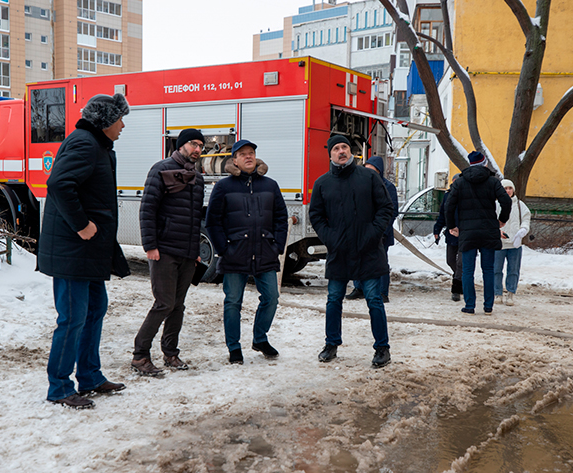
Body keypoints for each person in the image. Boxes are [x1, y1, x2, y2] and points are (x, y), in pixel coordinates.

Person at [38, 93, 130, 409]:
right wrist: (82, 225)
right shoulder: (84, 144)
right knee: (73, 318)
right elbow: (60, 185)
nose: (122, 125)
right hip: (74, 249)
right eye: (119, 119)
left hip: (89, 250)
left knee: (94, 311)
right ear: (104, 121)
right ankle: (60, 387)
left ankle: (90, 376)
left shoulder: (98, 146)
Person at [309, 135, 395, 368]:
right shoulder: (322, 183)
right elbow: (315, 215)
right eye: (336, 148)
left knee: (374, 300)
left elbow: (386, 208)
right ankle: (331, 344)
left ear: (351, 151)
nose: (341, 151)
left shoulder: (368, 177)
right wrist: (330, 237)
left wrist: (373, 233)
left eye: (344, 147)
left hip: (368, 250)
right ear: (330, 155)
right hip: (339, 252)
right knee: (334, 300)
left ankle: (382, 348)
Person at [205, 139, 289, 365]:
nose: (248, 156)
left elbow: (281, 218)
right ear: (234, 160)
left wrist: (277, 246)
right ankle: (234, 347)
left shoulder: (270, 185)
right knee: (233, 302)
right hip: (234, 254)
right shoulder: (224, 187)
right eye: (242, 154)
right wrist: (224, 248)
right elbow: (212, 221)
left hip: (265, 253)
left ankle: (259, 338)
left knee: (271, 298)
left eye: (251, 153)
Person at [131, 129, 206, 376]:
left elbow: (195, 219)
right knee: (164, 303)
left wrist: (195, 250)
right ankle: (140, 356)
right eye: (194, 144)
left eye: (201, 146)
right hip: (164, 250)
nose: (197, 149)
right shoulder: (160, 169)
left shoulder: (197, 178)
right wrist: (150, 245)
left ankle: (171, 353)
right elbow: (148, 209)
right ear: (182, 145)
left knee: (178, 305)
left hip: (186, 253)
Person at [445, 151, 511, 315]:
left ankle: (469, 305)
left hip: (467, 232)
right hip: (488, 230)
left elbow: (448, 205)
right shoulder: (493, 182)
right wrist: (502, 220)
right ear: (484, 163)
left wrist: (452, 225)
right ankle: (488, 306)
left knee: (468, 270)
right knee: (488, 269)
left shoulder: (460, 182)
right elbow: (506, 201)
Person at [345, 156, 399, 303]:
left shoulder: (388, 187)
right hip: (361, 231)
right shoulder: (359, 185)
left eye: (372, 170)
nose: (368, 172)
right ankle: (359, 288)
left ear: (379, 171)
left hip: (381, 232)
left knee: (380, 262)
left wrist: (382, 230)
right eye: (366, 169)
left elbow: (392, 211)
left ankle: (382, 292)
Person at [495, 179, 531, 306]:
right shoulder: (495, 204)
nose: (508, 191)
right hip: (499, 244)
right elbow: (490, 220)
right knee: (496, 270)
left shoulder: (520, 205)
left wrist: (523, 230)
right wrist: (496, 231)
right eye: (505, 189)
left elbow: (526, 219)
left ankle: (510, 293)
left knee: (513, 270)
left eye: (510, 188)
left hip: (515, 244)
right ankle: (497, 293)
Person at [433, 173, 463, 301]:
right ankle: (462, 278)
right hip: (451, 234)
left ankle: (456, 289)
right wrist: (437, 229)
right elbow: (442, 215)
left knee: (461, 263)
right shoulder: (447, 196)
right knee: (450, 260)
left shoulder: (467, 196)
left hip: (465, 234)